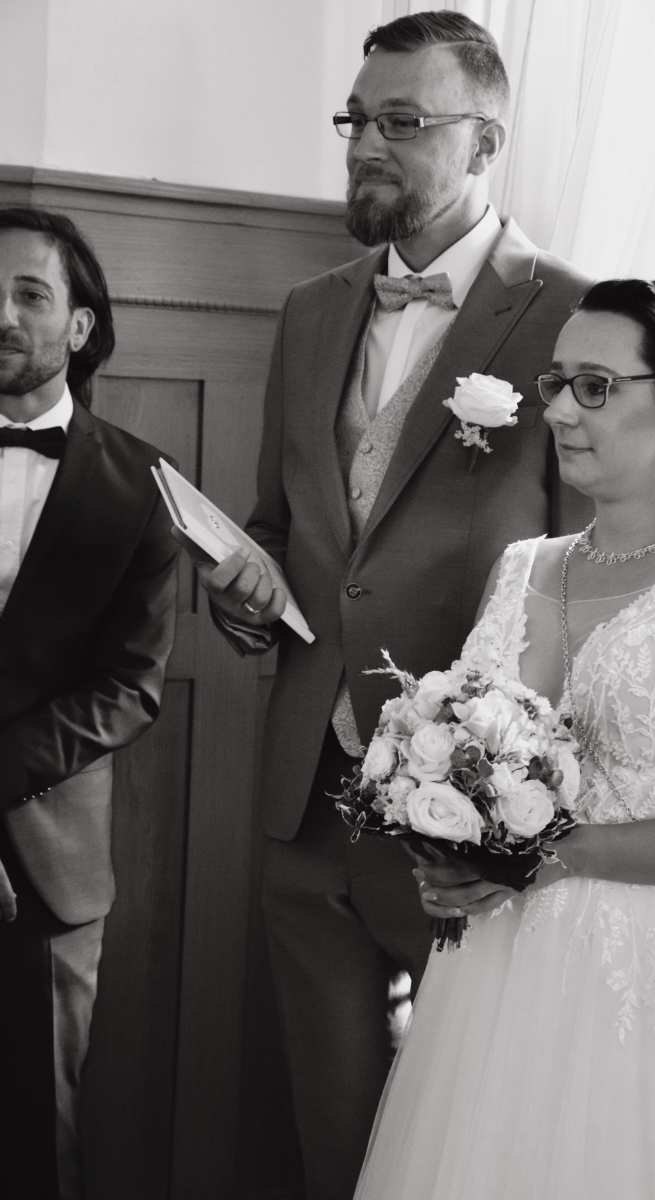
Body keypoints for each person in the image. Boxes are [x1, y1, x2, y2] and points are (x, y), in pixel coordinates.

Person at [175, 11, 592, 1199]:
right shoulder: (312, 308)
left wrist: (515, 795)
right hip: (305, 802)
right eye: (355, 119)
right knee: (333, 1137)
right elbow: (281, 526)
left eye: (401, 122)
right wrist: (244, 591)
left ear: (484, 141)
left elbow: (586, 573)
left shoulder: (572, 315)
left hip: (470, 815)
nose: (366, 143)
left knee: (469, 1141)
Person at [355, 278, 655, 1199]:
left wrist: (558, 855)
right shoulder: (520, 566)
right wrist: (446, 853)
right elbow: (478, 765)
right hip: (492, 981)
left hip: (654, 983)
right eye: (556, 383)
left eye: (595, 386)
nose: (559, 409)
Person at [0, 207, 178, 1200]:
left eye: (29, 294)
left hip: (46, 863)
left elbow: (130, 688)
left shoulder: (141, 484)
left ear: (80, 325)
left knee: (38, 1131)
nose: (1, 314)